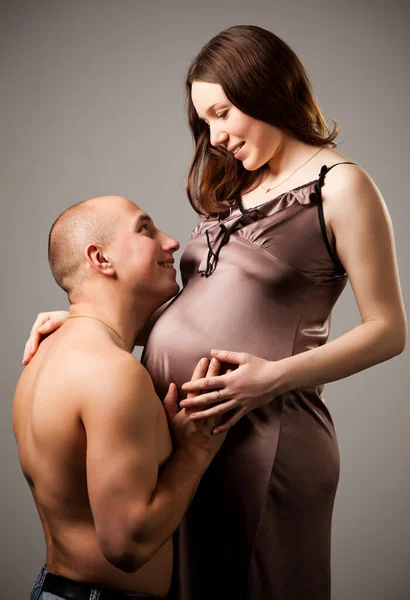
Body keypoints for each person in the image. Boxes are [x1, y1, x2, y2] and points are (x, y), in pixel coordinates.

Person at [23, 25, 407, 600]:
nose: (216, 136)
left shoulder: (342, 187)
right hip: (189, 440)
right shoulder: (238, 188)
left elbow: (388, 331)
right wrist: (88, 323)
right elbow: (207, 307)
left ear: (267, 89)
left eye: (223, 113)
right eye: (205, 122)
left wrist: (268, 379)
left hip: (265, 432)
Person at [14, 195, 227, 600]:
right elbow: (126, 547)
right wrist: (195, 453)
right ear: (101, 259)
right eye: (144, 229)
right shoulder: (112, 373)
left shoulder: (52, 353)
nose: (171, 243)